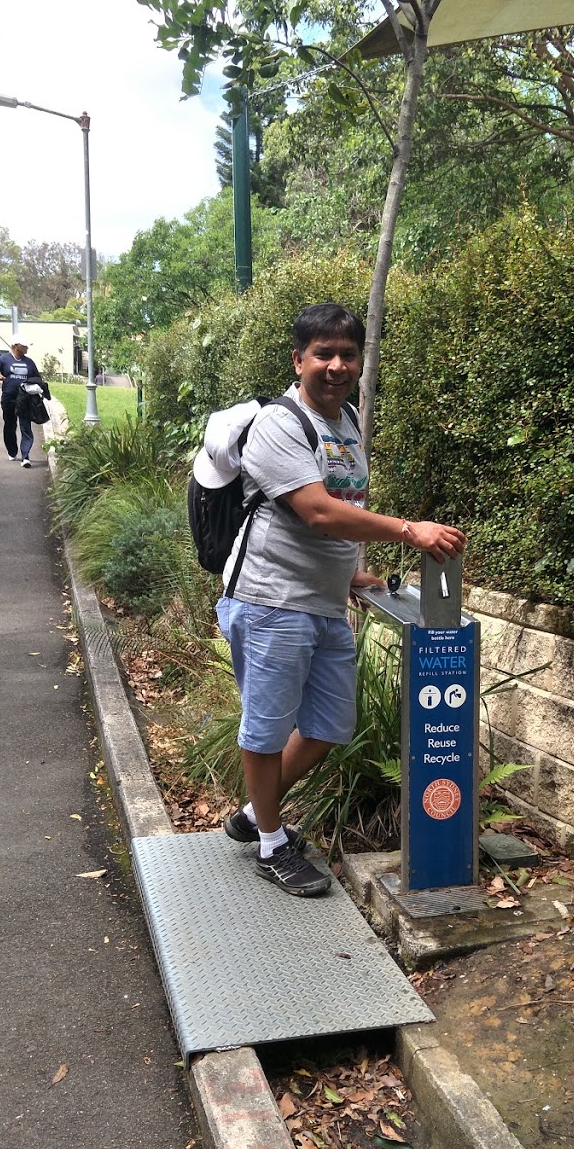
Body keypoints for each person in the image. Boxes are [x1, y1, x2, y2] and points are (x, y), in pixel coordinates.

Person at [217, 302, 467, 898]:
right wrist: (411, 530)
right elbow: (318, 509)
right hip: (271, 600)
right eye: (322, 354)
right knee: (267, 729)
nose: (335, 365)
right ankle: (272, 843)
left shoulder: (347, 420)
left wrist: (353, 574)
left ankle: (255, 814)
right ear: (298, 359)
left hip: (325, 601)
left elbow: (344, 505)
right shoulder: (279, 423)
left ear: (359, 362)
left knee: (331, 724)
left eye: (347, 355)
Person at [0, 341, 41, 464]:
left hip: (25, 399)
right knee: (10, 425)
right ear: (16, 346)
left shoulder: (29, 362)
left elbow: (38, 378)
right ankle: (12, 451)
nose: (27, 348)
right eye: (24, 345)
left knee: (25, 426)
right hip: (8, 398)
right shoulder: (4, 359)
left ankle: (25, 456)